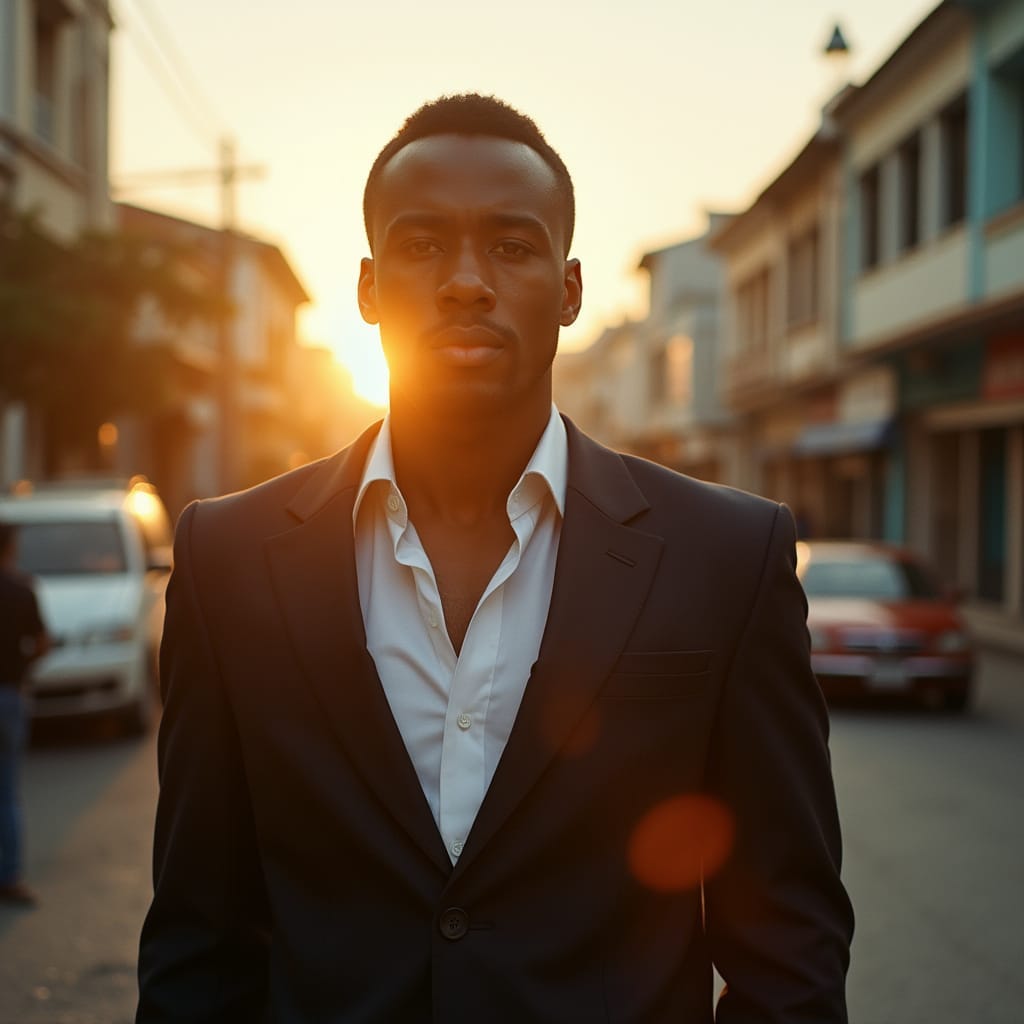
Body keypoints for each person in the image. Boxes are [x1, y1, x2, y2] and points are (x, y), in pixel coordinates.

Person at [137, 94, 853, 1022]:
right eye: (423, 244)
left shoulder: (727, 554)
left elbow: (788, 940)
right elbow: (200, 931)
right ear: (368, 287)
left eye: (512, 246)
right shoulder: (229, 556)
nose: (466, 280)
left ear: (569, 288)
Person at [0, 521, 49, 906]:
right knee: (8, 789)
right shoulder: (22, 589)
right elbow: (43, 642)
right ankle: (11, 877)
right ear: (10, 548)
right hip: (11, 695)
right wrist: (23, 666)